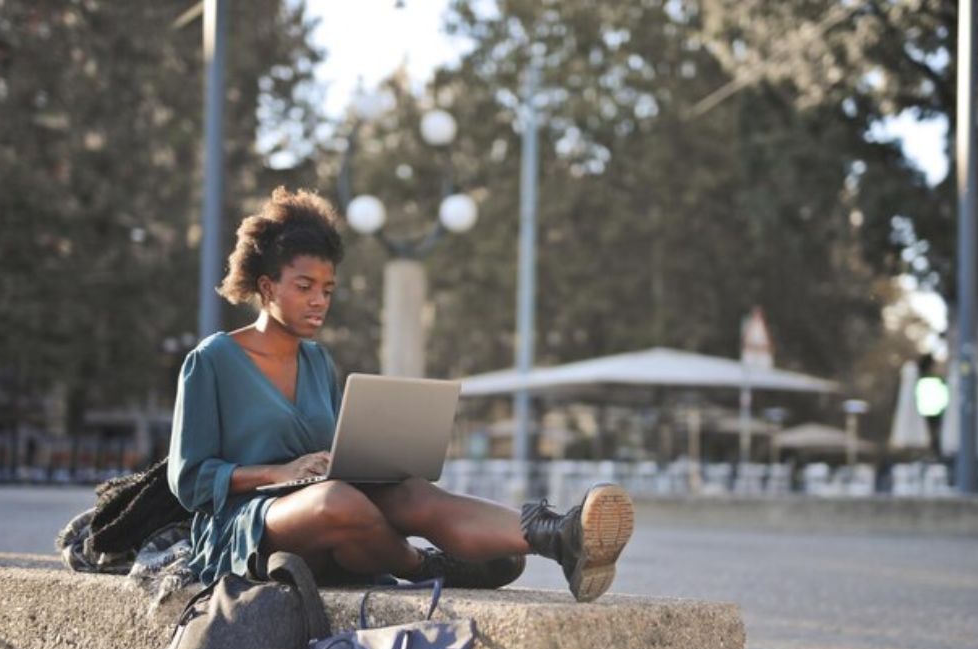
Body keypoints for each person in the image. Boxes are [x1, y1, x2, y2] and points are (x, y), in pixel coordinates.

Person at [167, 187, 634, 602]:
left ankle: (560, 536)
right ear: (267, 287)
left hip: (333, 522)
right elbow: (189, 479)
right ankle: (424, 565)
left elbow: (332, 448)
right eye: (304, 287)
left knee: (410, 492)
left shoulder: (317, 362)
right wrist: (279, 471)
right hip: (249, 527)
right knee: (338, 502)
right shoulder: (212, 361)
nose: (319, 301)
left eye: (328, 290)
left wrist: (352, 460)